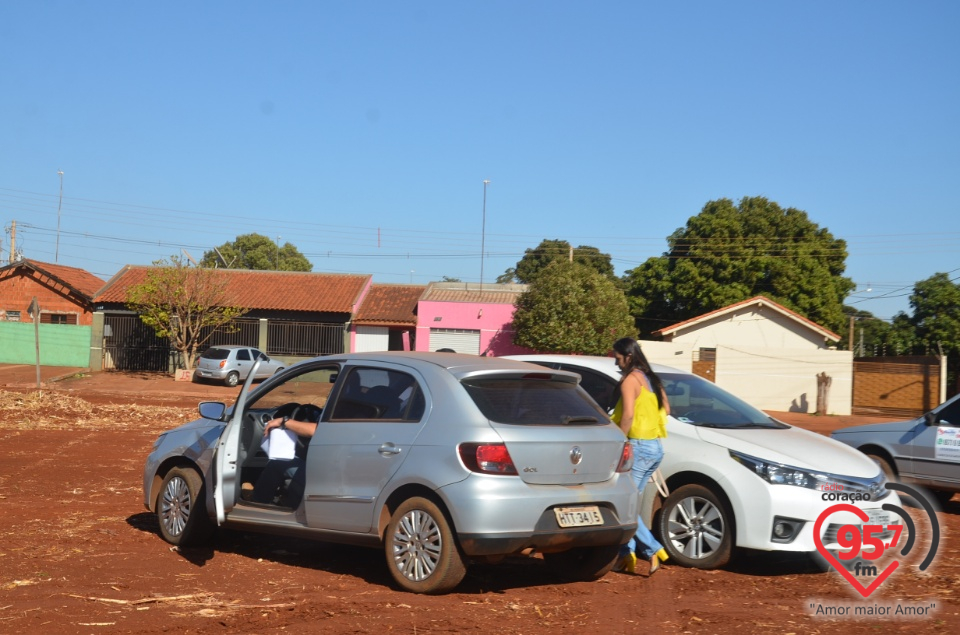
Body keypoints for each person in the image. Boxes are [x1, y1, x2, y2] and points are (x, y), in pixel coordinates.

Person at [611, 337, 671, 576]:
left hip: (637, 446)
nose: (617, 364)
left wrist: (620, 444)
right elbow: (666, 409)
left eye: (618, 358)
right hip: (655, 446)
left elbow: (627, 415)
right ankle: (627, 555)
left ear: (628, 356)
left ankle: (654, 549)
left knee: (626, 507)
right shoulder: (651, 379)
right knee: (631, 504)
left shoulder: (630, 381)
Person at [251, 413, 318, 506]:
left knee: (277, 463)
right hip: (329, 471)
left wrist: (284, 421)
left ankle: (257, 503)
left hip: (322, 477)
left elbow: (316, 430)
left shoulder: (342, 411)